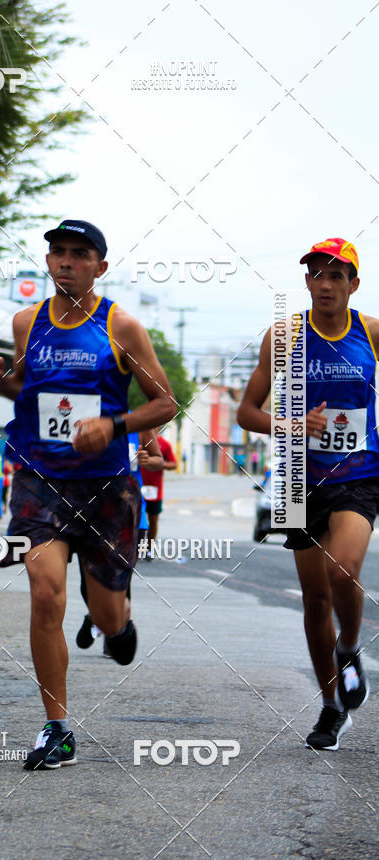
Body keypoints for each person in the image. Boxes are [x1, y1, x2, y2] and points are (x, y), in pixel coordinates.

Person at [0, 218, 175, 770]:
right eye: (57, 252)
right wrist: (2, 382)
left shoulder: (122, 327)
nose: (65, 261)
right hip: (39, 479)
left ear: (100, 267)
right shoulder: (26, 322)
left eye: (78, 254)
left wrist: (113, 426)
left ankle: (111, 617)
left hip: (108, 487)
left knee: (111, 620)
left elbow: (165, 402)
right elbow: (30, 390)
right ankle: (56, 727)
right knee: (44, 593)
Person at [237, 237, 378, 750]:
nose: (325, 283)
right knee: (315, 598)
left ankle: (350, 649)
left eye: (336, 275)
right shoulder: (284, 337)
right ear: (307, 281)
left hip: (359, 474)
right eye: (317, 273)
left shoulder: (371, 332)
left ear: (353, 285)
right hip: (299, 476)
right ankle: (330, 706)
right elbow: (246, 413)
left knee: (343, 569)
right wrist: (294, 424)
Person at [76, 428, 163, 656]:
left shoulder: (142, 426)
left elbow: (158, 461)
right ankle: (94, 615)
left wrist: (148, 459)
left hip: (130, 516)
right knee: (88, 581)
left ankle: (114, 636)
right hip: (93, 512)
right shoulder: (90, 419)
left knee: (122, 582)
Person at [141, 426, 177, 556]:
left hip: (155, 489)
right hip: (137, 486)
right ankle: (134, 548)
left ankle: (149, 548)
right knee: (135, 519)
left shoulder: (164, 444)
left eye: (156, 426)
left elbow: (174, 464)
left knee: (153, 519)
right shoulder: (139, 440)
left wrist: (160, 464)